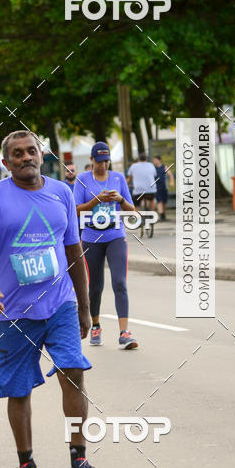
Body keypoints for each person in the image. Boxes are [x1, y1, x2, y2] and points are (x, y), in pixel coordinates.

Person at [0, 130, 106, 468]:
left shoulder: (62, 192)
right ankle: (26, 466)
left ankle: (79, 464)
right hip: (13, 312)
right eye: (17, 153)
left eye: (31, 151)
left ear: (41, 155)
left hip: (60, 304)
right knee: (18, 389)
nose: (26, 157)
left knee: (73, 372)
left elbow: (74, 251)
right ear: (6, 162)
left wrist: (85, 309)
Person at [74, 142, 139, 350]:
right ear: (91, 160)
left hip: (115, 235)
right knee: (95, 286)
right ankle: (95, 326)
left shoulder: (118, 178)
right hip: (91, 237)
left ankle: (124, 333)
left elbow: (132, 211)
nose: (103, 165)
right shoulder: (83, 180)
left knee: (119, 282)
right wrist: (96, 200)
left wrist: (120, 199)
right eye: (100, 161)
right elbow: (76, 210)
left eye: (106, 161)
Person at [153, 155, 174, 221]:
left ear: (159, 160)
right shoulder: (153, 168)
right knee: (159, 201)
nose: (154, 161)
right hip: (156, 187)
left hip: (164, 187)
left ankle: (163, 215)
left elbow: (170, 174)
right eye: (154, 160)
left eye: (155, 160)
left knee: (164, 201)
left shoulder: (164, 167)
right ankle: (161, 215)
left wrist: (172, 181)